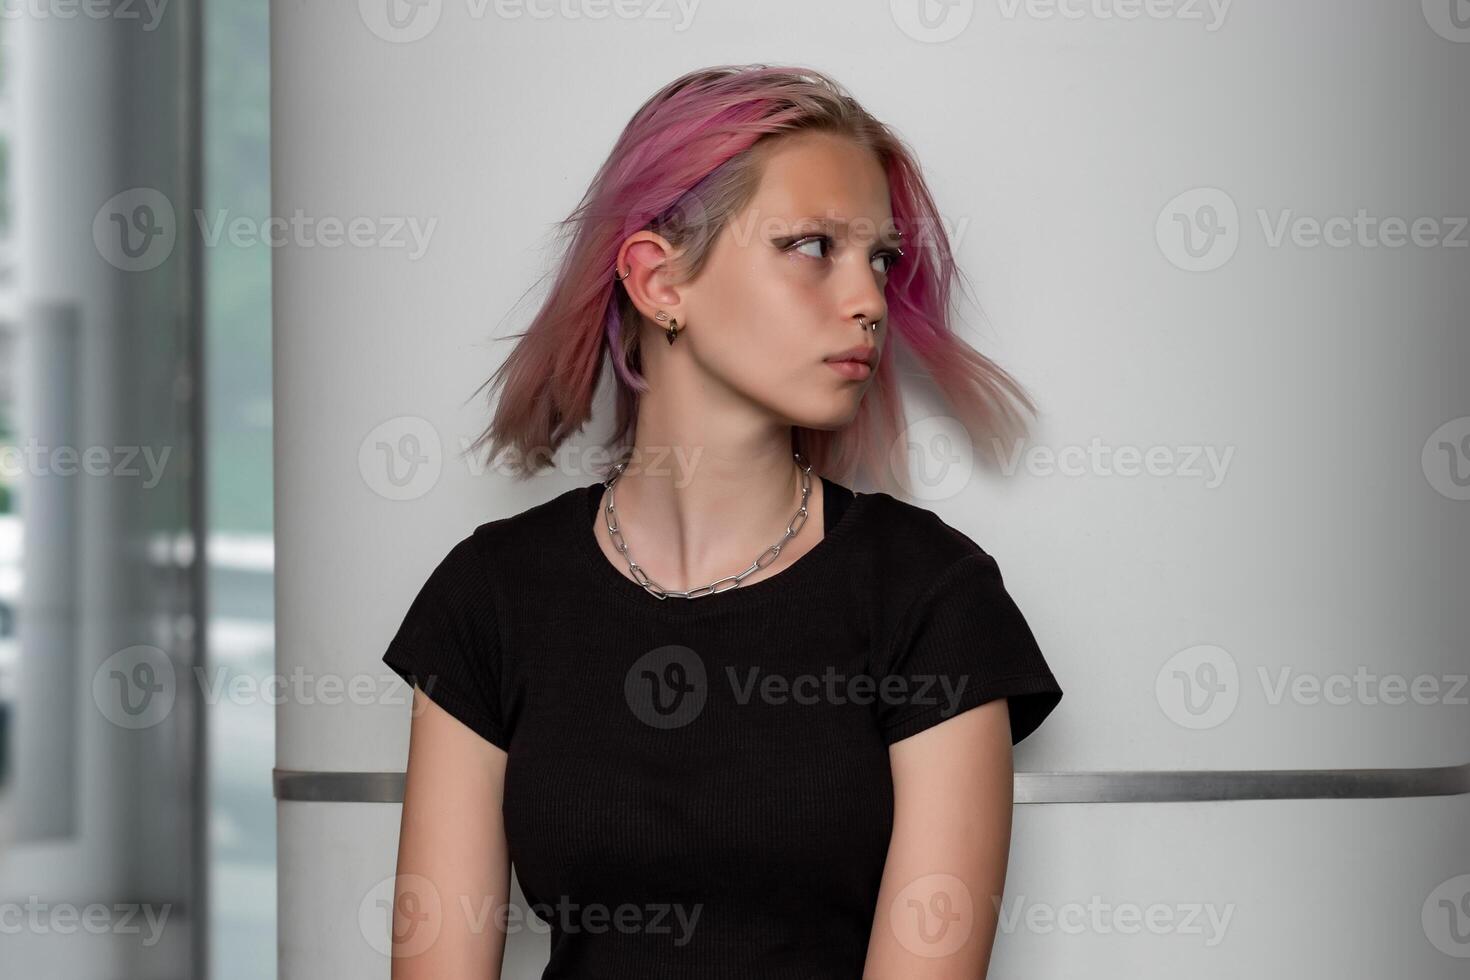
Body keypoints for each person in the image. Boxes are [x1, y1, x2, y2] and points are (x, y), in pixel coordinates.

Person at [382, 63, 1064, 980]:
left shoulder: (932, 599)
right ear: (659, 281)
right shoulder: (490, 599)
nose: (867, 300)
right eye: (813, 246)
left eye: (881, 259)